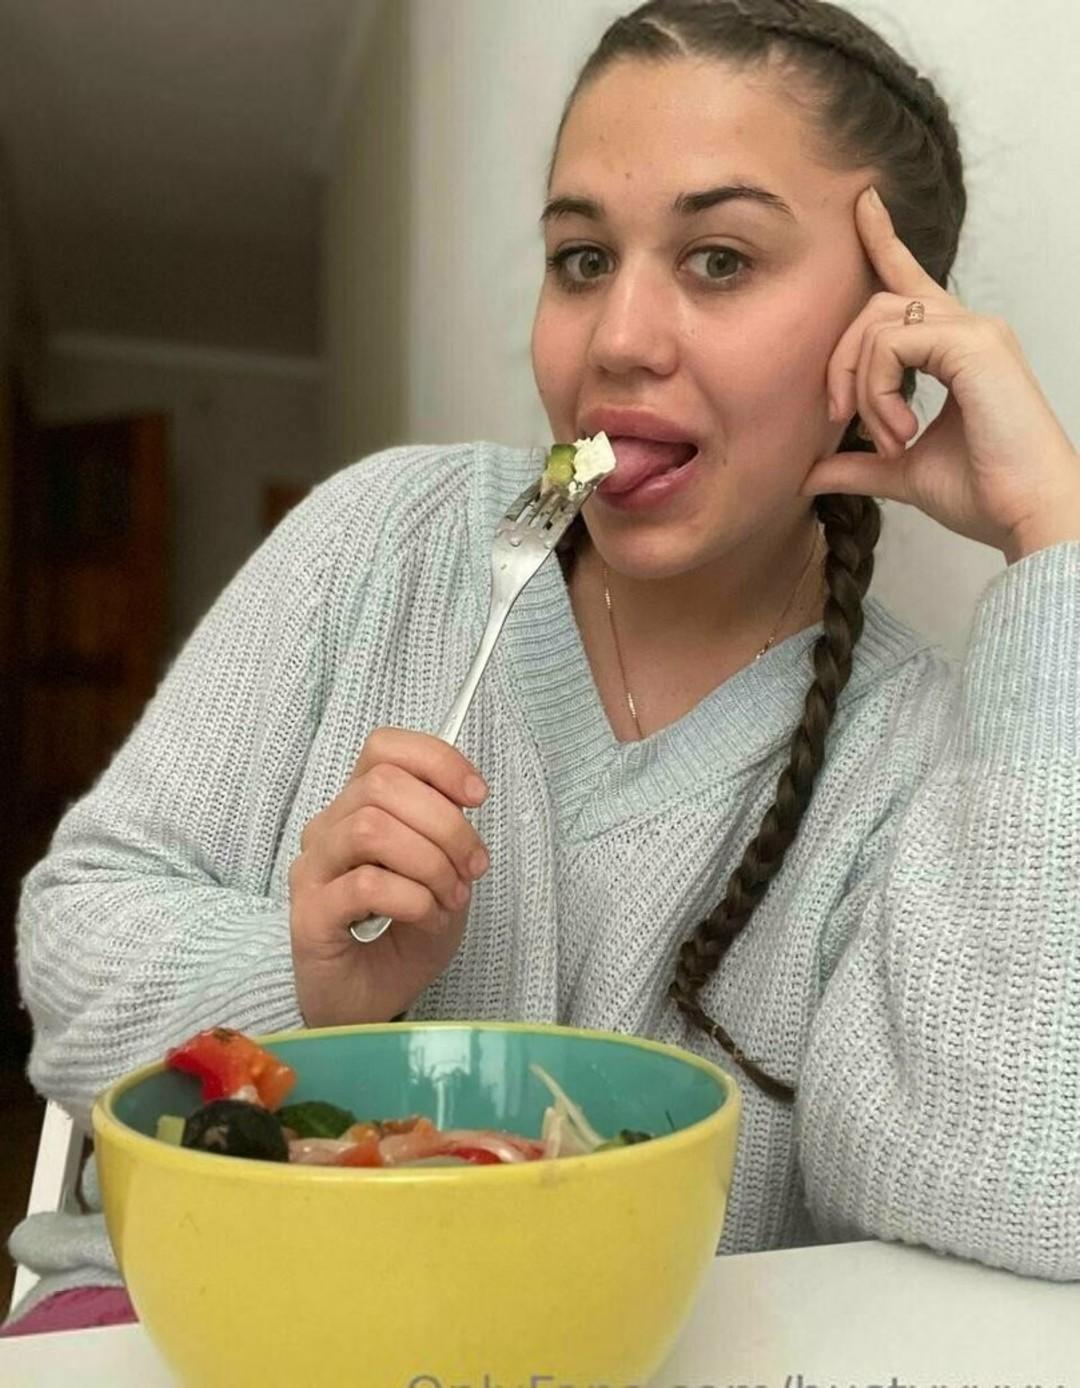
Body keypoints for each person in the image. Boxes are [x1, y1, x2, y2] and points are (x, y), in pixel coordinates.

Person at [5, 0, 1079, 1336]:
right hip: (196, 1319)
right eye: (581, 259)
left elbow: (1015, 1194)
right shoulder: (384, 538)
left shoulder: (917, 749)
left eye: (720, 260)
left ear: (889, 334)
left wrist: (1054, 550)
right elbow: (74, 962)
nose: (617, 338)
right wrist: (308, 980)